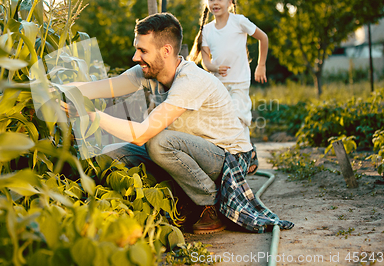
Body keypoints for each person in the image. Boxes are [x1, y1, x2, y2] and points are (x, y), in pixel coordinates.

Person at [58, 13, 293, 234]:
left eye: (142, 50)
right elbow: (106, 87)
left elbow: (141, 134)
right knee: (109, 154)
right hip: (192, 152)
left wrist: (90, 115)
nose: (135, 57)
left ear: (166, 50)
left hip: (227, 159)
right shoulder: (147, 71)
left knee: (158, 142)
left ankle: (210, 205)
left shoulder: (189, 80)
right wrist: (58, 89)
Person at [188, 0, 269, 176]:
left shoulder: (239, 21)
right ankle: (237, 156)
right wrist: (215, 67)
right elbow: (205, 62)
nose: (215, 3)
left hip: (240, 79)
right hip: (219, 83)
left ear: (230, 1)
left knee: (238, 115)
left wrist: (261, 65)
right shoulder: (206, 30)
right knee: (225, 120)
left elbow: (263, 38)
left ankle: (247, 153)